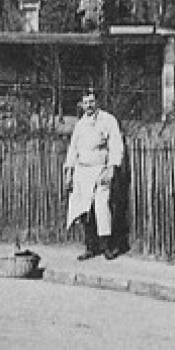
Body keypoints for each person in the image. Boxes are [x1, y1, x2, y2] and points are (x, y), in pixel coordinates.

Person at [63, 90, 125, 260]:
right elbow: (73, 148)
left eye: (91, 101)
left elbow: (115, 145)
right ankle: (90, 247)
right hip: (82, 171)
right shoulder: (80, 124)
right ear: (81, 105)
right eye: (85, 102)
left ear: (97, 102)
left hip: (100, 170)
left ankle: (107, 247)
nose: (89, 105)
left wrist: (112, 167)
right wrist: (69, 171)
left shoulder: (107, 120)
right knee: (84, 209)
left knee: (101, 207)